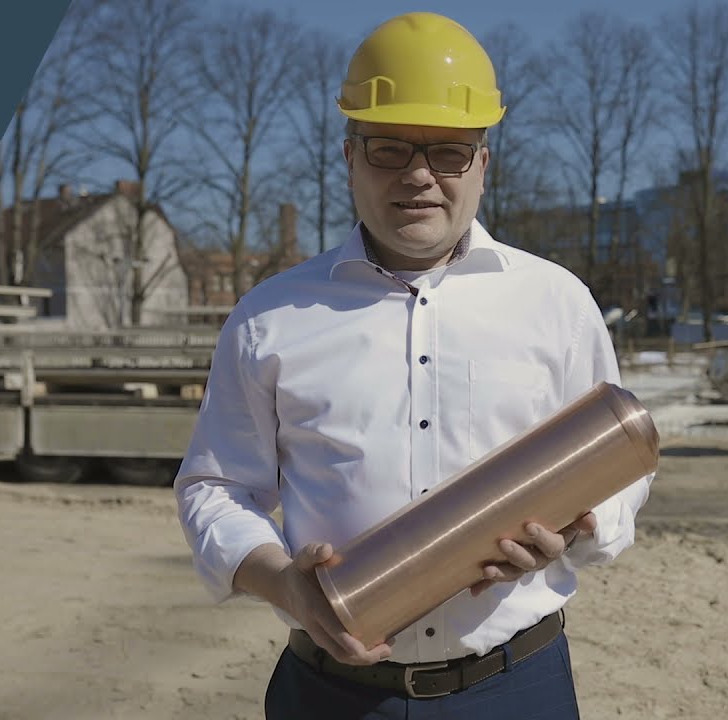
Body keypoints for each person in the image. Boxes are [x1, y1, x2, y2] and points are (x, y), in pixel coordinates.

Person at [172, 12, 651, 719]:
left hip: (516, 688)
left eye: (449, 152)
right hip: (333, 698)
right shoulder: (270, 318)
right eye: (389, 149)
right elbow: (215, 488)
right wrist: (283, 583)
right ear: (349, 158)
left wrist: (576, 528)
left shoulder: (557, 304)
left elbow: (617, 467)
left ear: (483, 165)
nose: (419, 175)